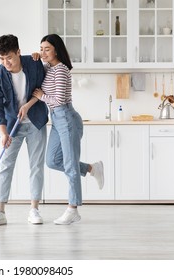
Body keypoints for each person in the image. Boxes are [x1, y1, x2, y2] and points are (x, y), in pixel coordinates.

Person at [32, 34, 104, 225]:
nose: (44, 52)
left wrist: (41, 97)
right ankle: (91, 168)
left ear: (57, 49)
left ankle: (73, 209)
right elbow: (37, 68)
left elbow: (60, 100)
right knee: (52, 160)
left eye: (47, 48)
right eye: (41, 48)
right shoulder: (48, 68)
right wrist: (35, 57)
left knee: (70, 166)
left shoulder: (62, 70)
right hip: (56, 120)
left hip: (67, 118)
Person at [0, 34, 48, 226]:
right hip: (13, 125)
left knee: (36, 167)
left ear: (19, 52)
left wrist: (29, 105)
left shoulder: (34, 63)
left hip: (36, 122)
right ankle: (0, 212)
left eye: (9, 57)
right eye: (1, 59)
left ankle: (34, 210)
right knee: (5, 166)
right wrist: (4, 133)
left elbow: (45, 89)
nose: (6, 63)